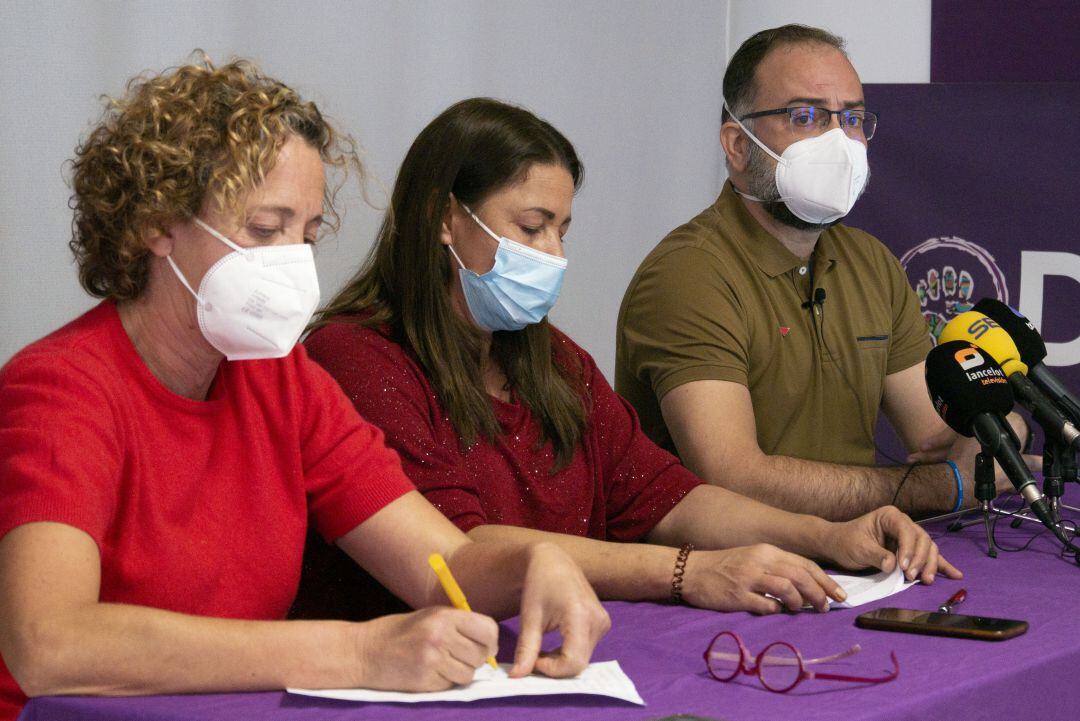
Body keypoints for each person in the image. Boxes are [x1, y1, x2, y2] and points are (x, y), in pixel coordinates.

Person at [0, 57, 610, 721]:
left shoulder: (281, 377)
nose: (292, 260)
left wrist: (530, 562)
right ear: (158, 225)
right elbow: (47, 643)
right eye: (265, 229)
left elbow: (444, 563)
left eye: (307, 235)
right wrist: (354, 652)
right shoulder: (62, 386)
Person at [303, 97, 960, 626]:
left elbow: (667, 496)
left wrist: (826, 534)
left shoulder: (552, 358)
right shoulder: (355, 357)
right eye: (532, 226)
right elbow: (459, 553)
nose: (554, 253)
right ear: (443, 217)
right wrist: (687, 572)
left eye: (563, 229)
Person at [615, 24, 1032, 522]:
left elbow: (937, 433)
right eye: (806, 116)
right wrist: (944, 488)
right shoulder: (687, 275)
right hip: (722, 579)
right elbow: (731, 479)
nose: (839, 141)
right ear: (737, 144)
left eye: (852, 118)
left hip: (858, 563)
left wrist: (1001, 427)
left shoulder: (870, 262)